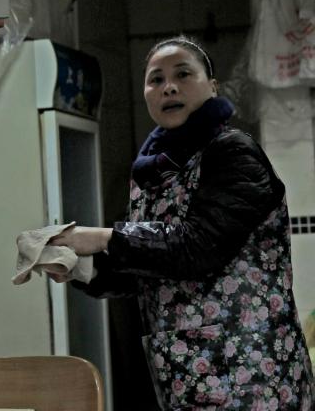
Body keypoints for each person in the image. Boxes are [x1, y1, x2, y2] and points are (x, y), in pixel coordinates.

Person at [48, 36, 314, 410]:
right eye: (155, 79)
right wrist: (78, 266)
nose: (168, 86)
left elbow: (195, 248)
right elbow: (149, 266)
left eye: (183, 74)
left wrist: (100, 236)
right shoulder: (153, 172)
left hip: (252, 374)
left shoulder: (232, 152)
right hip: (189, 375)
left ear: (213, 86)